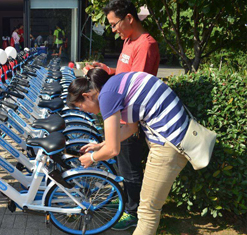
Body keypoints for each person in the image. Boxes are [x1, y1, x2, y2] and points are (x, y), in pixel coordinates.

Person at [68, 68, 189, 235]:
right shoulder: (114, 85)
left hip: (169, 142)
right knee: (148, 207)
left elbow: (113, 150)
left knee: (147, 210)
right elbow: (130, 128)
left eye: (80, 106)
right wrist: (101, 145)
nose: (82, 110)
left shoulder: (106, 97)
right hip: (171, 136)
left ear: (87, 95)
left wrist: (92, 158)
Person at [82, 0, 160, 230]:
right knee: (122, 164)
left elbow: (136, 85)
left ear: (129, 18)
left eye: (115, 24)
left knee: (130, 166)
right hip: (120, 111)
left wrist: (125, 121)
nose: (114, 30)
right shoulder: (128, 40)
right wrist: (108, 72)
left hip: (130, 116)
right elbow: (126, 74)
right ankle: (126, 201)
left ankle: (133, 212)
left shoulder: (146, 45)